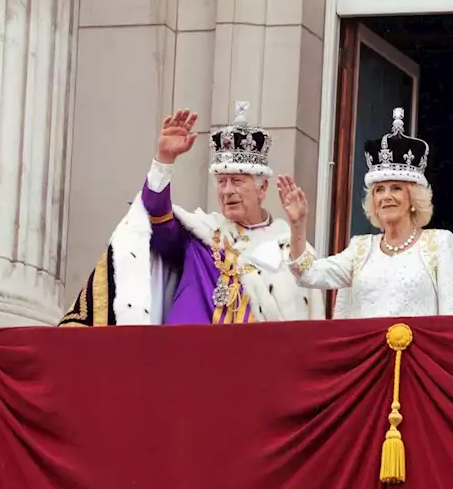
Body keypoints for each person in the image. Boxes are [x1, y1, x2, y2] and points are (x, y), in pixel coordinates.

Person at [61, 103, 324, 326]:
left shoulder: (290, 248)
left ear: (262, 187)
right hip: (190, 365)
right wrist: (164, 160)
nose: (227, 191)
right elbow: (156, 217)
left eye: (237, 181)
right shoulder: (200, 234)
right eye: (221, 182)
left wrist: (299, 226)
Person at [279, 108, 453, 319]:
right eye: (379, 190)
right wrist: (298, 225)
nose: (386, 196)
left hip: (419, 352)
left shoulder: (440, 245)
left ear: (413, 198)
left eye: (396, 188)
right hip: (368, 352)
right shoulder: (360, 249)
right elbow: (308, 274)